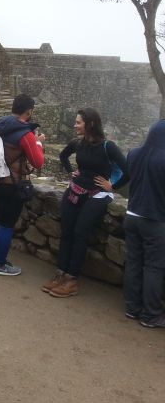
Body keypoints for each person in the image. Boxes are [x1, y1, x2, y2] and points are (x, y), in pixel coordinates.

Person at [41, 108, 129, 297]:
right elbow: (63, 156)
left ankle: (71, 280)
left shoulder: (108, 147)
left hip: (97, 195)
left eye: (78, 122)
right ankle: (60, 274)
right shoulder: (77, 144)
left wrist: (111, 185)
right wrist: (70, 171)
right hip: (76, 190)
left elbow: (128, 170)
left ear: (90, 124)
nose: (75, 125)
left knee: (80, 233)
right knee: (67, 231)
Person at [0, 94, 44, 276]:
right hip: (11, 184)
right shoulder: (25, 134)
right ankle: (0, 264)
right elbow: (38, 162)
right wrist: (38, 142)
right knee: (6, 224)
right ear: (29, 111)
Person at [123, 120, 165, 328]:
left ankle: (132, 307)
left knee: (133, 262)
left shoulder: (134, 154)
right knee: (154, 267)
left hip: (131, 215)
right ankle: (151, 315)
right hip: (155, 219)